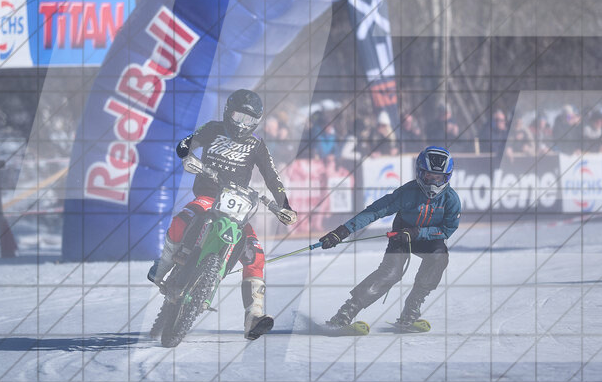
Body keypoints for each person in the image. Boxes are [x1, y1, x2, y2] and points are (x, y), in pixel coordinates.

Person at [146, 89, 298, 339]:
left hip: (238, 206)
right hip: (208, 196)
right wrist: (188, 155)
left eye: (249, 120)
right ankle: (163, 267)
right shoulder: (213, 129)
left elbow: (272, 175)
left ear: (256, 122)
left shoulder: (256, 144)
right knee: (181, 221)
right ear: (228, 112)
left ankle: (254, 316)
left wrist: (284, 205)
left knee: (255, 254)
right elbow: (187, 143)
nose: (242, 125)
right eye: (239, 117)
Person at [318, 146, 462, 332]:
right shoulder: (407, 192)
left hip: (428, 240)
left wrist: (419, 233)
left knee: (439, 256)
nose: (433, 182)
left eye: (438, 178)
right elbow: (375, 211)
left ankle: (412, 308)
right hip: (401, 237)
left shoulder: (451, 200)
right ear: (419, 172)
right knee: (391, 274)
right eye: (428, 176)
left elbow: (447, 230)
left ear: (447, 177)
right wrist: (343, 231)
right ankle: (346, 312)